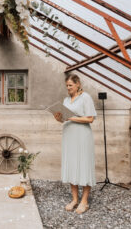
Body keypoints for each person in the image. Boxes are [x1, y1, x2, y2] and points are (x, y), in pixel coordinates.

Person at [54, 74, 97, 214]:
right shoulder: (66, 100)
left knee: (84, 165)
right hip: (69, 136)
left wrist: (71, 117)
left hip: (82, 136)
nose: (68, 88)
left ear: (78, 84)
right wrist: (59, 118)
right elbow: (65, 120)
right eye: (67, 86)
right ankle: (74, 199)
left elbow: (90, 118)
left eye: (70, 85)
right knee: (72, 165)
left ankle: (84, 201)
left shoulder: (86, 98)